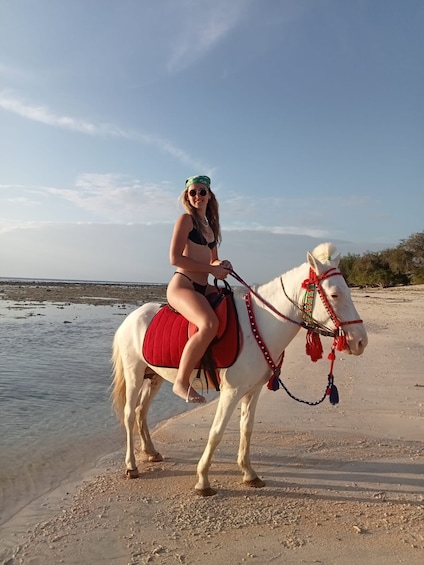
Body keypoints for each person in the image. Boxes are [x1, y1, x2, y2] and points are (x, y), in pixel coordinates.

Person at [167, 175, 233, 403]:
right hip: (183, 285)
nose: (197, 196)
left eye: (202, 192)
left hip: (203, 288)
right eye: (192, 192)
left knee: (233, 306)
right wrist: (211, 269)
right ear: (187, 196)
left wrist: (221, 265)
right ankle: (181, 382)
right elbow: (174, 258)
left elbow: (213, 261)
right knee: (209, 324)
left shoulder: (211, 228)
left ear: (209, 195)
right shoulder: (186, 220)